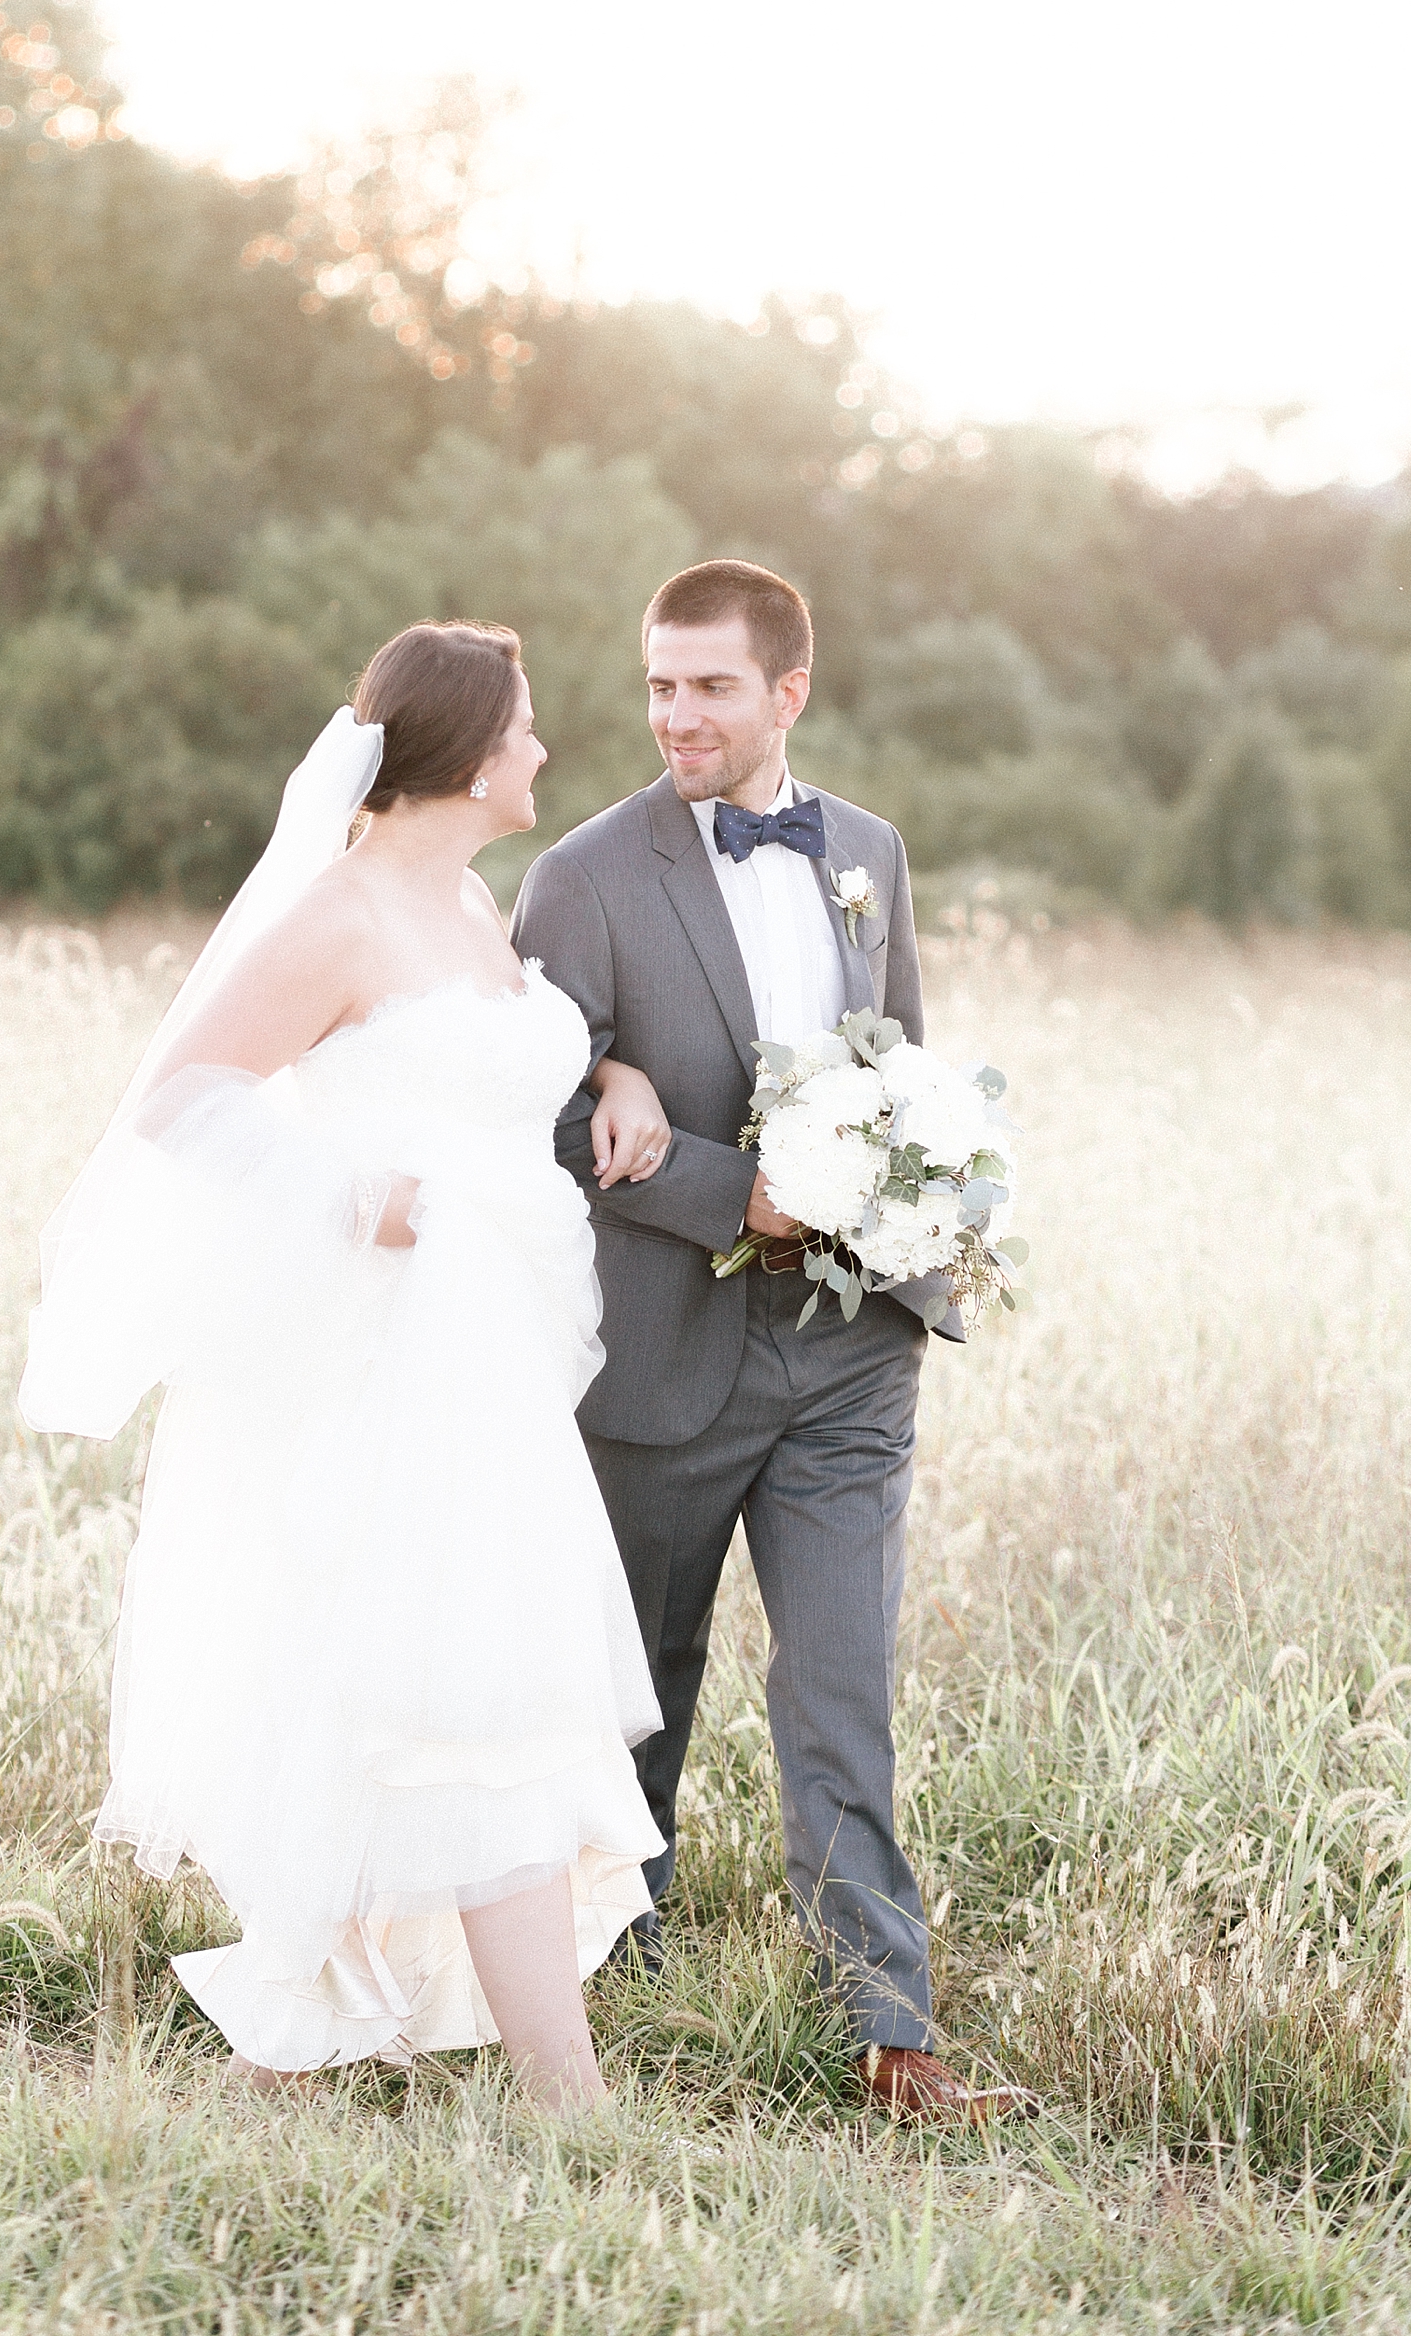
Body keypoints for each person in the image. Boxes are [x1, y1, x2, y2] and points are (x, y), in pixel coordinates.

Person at [18, 621, 673, 2114]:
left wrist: (618, 1074)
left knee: (418, 1687)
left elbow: (504, 1079)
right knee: (467, 1690)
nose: (544, 753)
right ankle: (563, 2099)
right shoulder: (339, 915)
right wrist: (348, 1197)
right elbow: (184, 1097)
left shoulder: (469, 902)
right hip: (392, 1349)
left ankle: (289, 2048)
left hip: (490, 1345)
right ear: (463, 752)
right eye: (525, 727)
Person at [513, 560, 1038, 2126]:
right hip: (667, 1354)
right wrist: (741, 1190)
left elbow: (914, 1066)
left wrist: (928, 1214)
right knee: (642, 1698)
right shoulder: (585, 875)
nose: (677, 713)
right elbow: (536, 1107)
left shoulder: (868, 849)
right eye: (661, 684)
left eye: (712, 687)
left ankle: (890, 2040)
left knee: (842, 1695)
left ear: (788, 693)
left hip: (852, 1353)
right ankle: (626, 1996)